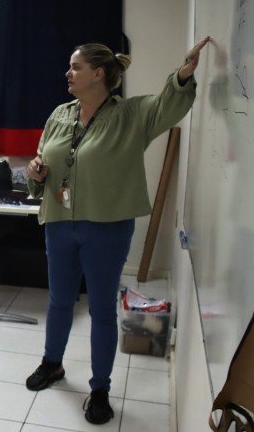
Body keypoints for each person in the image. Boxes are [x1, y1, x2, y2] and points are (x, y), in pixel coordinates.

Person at [24, 37, 212, 425]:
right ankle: (52, 363)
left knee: (101, 311)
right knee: (59, 301)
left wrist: (182, 73)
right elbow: (44, 159)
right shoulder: (60, 114)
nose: (68, 73)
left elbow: (169, 103)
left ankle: (99, 389)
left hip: (106, 229)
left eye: (75, 67)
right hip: (60, 222)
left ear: (99, 74)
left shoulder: (132, 114)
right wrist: (36, 173)